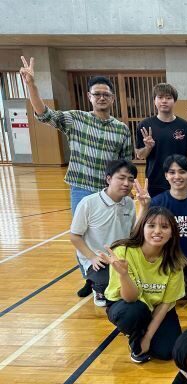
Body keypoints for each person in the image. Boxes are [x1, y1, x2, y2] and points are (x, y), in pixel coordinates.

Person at [20, 56, 132, 297]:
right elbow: (44, 114)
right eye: (97, 94)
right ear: (90, 96)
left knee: (110, 233)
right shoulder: (76, 119)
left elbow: (125, 163)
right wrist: (32, 85)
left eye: (106, 94)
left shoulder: (121, 129)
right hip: (82, 188)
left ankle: (106, 272)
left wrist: (126, 189)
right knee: (81, 233)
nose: (101, 98)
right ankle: (89, 276)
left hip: (109, 191)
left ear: (112, 98)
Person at [102, 206, 187, 363]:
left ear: (172, 233)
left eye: (164, 227)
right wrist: (124, 274)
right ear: (142, 228)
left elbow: (165, 304)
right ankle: (134, 335)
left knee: (167, 352)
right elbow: (130, 298)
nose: (157, 231)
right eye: (151, 225)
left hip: (156, 308)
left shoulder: (175, 262)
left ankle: (143, 331)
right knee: (133, 313)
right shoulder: (123, 252)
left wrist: (148, 337)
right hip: (128, 304)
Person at [138, 154, 187, 307]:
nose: (177, 176)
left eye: (182, 172)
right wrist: (144, 207)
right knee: (158, 298)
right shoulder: (158, 202)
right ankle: (182, 283)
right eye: (172, 172)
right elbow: (139, 232)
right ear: (166, 175)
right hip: (167, 261)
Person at [69, 160, 137, 307]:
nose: (126, 183)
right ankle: (96, 285)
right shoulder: (88, 203)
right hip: (98, 259)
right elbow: (74, 236)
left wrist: (145, 206)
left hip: (121, 257)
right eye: (121, 178)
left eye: (130, 179)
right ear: (108, 179)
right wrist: (92, 257)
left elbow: (133, 233)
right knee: (109, 290)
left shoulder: (129, 203)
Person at [135, 83, 187, 198]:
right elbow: (140, 155)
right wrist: (148, 147)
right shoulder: (144, 125)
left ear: (174, 101)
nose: (164, 101)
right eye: (160, 97)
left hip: (180, 180)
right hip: (155, 181)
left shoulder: (185, 126)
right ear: (154, 101)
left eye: (168, 98)